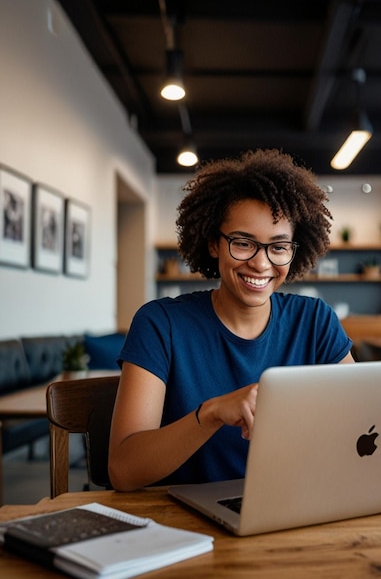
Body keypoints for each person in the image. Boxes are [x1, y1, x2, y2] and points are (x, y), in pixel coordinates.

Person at [109, 148, 354, 491]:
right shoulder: (160, 324)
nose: (261, 264)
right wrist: (209, 415)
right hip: (184, 522)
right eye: (243, 243)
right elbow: (123, 469)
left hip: (292, 507)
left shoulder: (315, 321)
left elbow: (361, 424)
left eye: (278, 247)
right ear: (213, 244)